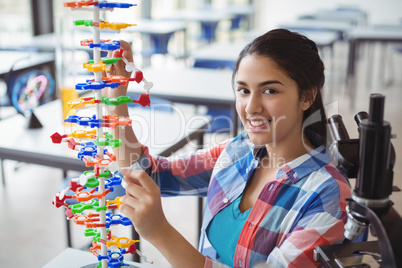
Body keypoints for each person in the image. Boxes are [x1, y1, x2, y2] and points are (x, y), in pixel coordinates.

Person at [103, 29, 351, 268]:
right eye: (243, 90)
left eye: (269, 90)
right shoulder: (239, 150)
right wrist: (117, 98)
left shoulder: (328, 195)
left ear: (307, 97)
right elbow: (148, 174)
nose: (251, 107)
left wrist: (161, 234)